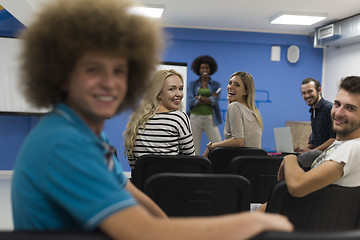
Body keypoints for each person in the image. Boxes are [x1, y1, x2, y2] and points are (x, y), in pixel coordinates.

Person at [11, 0, 293, 239]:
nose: (109, 83)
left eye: (119, 71)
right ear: (60, 76)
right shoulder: (64, 144)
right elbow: (145, 232)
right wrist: (251, 221)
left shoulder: (86, 134)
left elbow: (130, 191)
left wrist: (167, 222)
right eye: (92, 69)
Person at [278, 76, 360, 198]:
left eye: (350, 108)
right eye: (337, 104)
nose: (338, 113)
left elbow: (297, 186)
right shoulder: (342, 145)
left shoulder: (352, 147)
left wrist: (290, 158)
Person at [124, 69, 195, 170]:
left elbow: (134, 166)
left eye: (180, 88)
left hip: (142, 184)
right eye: (172, 89)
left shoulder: (136, 120)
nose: (179, 94)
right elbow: (191, 162)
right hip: (173, 184)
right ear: (158, 94)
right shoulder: (179, 118)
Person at [202, 71, 263, 157]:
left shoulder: (234, 106)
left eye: (237, 85)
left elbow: (238, 141)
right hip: (252, 165)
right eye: (230, 83)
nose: (230, 87)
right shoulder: (254, 112)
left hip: (238, 165)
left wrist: (211, 146)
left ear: (245, 91)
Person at [188, 55, 222, 155]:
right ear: (198, 69)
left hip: (210, 119)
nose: (205, 70)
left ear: (211, 69)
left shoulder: (216, 85)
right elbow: (190, 102)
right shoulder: (192, 84)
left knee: (218, 145)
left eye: (207, 67)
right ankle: (195, 169)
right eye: (202, 68)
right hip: (194, 118)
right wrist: (209, 98)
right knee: (194, 149)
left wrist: (199, 97)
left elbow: (214, 101)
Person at [296, 78, 336, 153]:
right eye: (304, 93)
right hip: (318, 155)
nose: (307, 95)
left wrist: (312, 151)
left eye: (310, 91)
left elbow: (334, 139)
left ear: (319, 90)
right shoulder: (313, 111)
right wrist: (303, 150)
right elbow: (315, 141)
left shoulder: (329, 108)